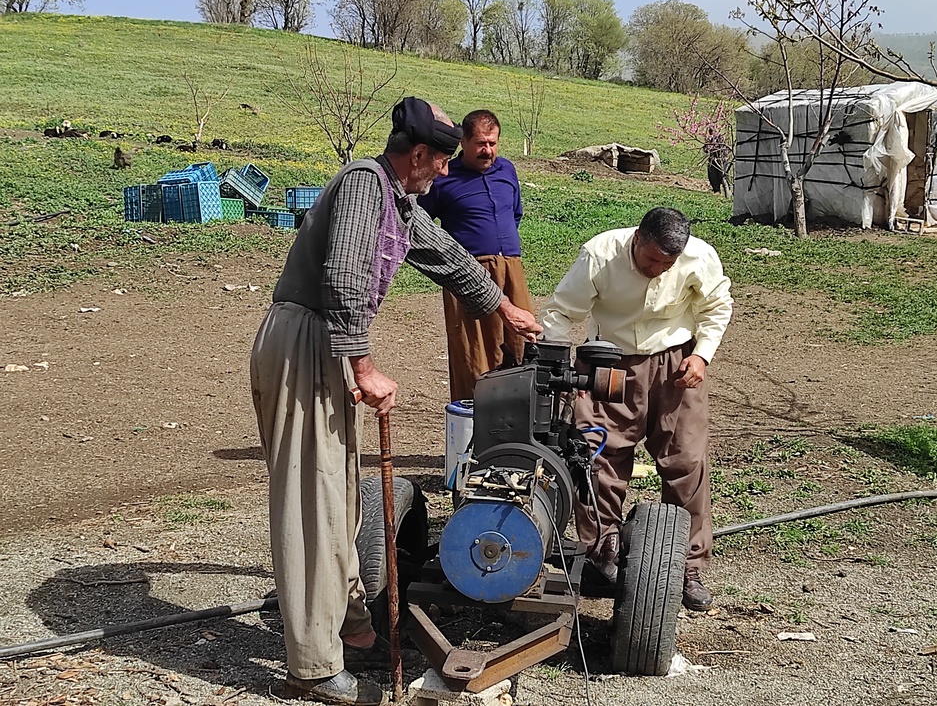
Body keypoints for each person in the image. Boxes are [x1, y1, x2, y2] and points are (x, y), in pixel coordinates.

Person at [250, 96, 541, 706]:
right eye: (442, 162)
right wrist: (363, 364)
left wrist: (506, 309)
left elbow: (449, 256)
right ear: (418, 154)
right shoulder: (365, 183)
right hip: (306, 339)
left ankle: (352, 630)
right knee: (313, 501)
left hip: (327, 342)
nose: (446, 172)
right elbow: (345, 277)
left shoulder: (399, 200)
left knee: (341, 494)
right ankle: (312, 665)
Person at [539, 207, 733, 612]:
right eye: (651, 260)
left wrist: (702, 356)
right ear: (637, 238)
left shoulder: (699, 256)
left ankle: (686, 566)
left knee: (687, 461)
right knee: (597, 456)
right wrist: (558, 370)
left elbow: (716, 307)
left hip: (676, 362)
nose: (658, 270)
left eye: (668, 264)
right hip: (608, 361)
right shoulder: (600, 254)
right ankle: (601, 551)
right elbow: (561, 312)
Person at [418, 110, 533, 402]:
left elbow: (515, 214)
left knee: (520, 342)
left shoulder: (507, 170)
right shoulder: (444, 178)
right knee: (474, 352)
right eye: (481, 144)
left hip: (511, 268)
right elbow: (419, 224)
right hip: (467, 274)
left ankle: (517, 416)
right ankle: (473, 419)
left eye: (493, 143)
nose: (488, 151)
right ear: (464, 142)